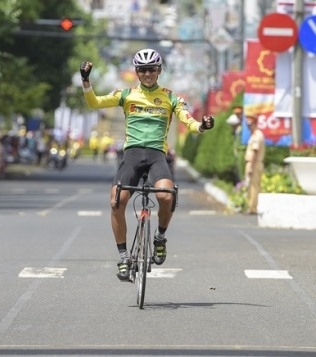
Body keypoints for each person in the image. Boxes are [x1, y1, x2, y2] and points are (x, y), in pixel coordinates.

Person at [80, 48, 215, 281]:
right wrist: (85, 80)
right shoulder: (126, 94)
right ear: (136, 72)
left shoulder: (171, 97)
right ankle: (123, 256)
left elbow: (188, 121)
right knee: (116, 201)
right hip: (131, 156)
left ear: (159, 70)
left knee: (165, 196)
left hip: (156, 157)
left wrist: (201, 126)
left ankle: (160, 237)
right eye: (142, 70)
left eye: (152, 69)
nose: (147, 74)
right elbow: (94, 103)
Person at [243, 113, 265, 215]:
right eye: (247, 125)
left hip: (255, 163)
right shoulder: (253, 135)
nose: (249, 126)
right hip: (252, 163)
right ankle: (251, 206)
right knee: (251, 186)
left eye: (250, 124)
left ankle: (253, 208)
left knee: (254, 187)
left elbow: (255, 153)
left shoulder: (257, 135)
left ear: (255, 124)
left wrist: (251, 166)